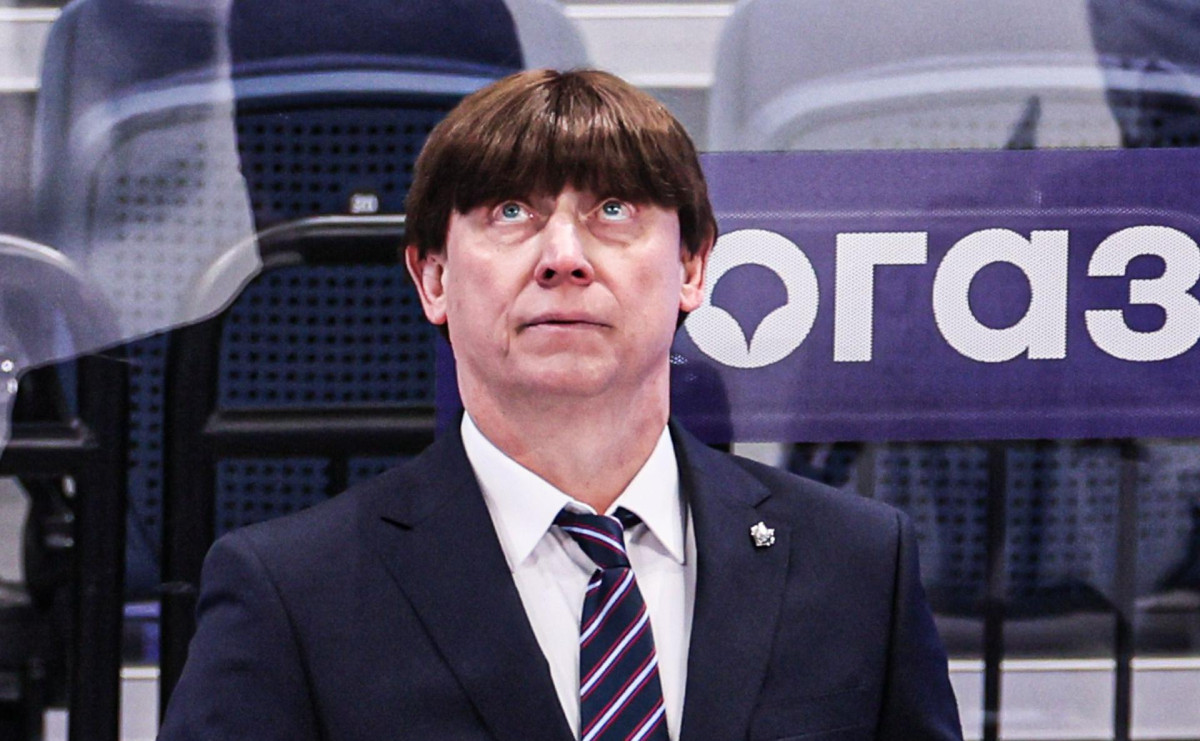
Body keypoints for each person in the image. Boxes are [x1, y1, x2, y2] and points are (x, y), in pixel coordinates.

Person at [159, 68, 963, 741]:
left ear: (692, 267)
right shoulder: (293, 594)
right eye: (511, 212)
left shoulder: (858, 564)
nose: (564, 257)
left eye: (614, 210)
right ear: (433, 277)